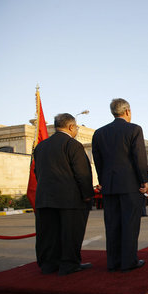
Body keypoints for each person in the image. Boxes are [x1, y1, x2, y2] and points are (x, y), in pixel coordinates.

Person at [92, 98, 148, 272]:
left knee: (112, 224)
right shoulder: (134, 129)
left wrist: (103, 181)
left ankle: (113, 262)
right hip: (130, 185)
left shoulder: (99, 133)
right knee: (130, 224)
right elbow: (139, 157)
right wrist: (144, 181)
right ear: (127, 111)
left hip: (109, 186)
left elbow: (98, 160)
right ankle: (128, 261)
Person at [34, 113, 94, 276]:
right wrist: (87, 195)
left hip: (45, 198)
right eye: (77, 127)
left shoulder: (40, 146)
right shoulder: (73, 145)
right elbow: (82, 173)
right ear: (71, 127)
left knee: (48, 234)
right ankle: (69, 264)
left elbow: (36, 172)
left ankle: (48, 265)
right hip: (70, 200)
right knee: (70, 233)